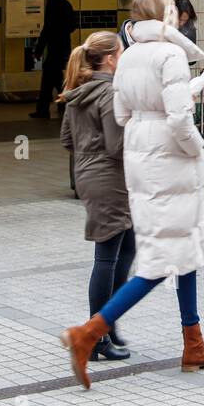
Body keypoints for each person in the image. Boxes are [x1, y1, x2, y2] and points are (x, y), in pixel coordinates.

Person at [60, 0, 204, 390]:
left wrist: (167, 106)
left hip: (143, 161)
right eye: (172, 6)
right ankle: (88, 333)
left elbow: (124, 111)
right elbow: (177, 119)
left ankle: (194, 343)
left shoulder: (131, 54)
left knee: (187, 247)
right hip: (170, 163)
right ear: (164, 14)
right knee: (161, 261)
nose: (176, 12)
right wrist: (197, 150)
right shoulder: (169, 54)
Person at [59, 31, 133, 363]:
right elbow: (117, 145)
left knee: (126, 249)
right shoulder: (108, 91)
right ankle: (96, 336)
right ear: (111, 58)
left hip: (91, 176)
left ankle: (108, 325)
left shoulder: (78, 91)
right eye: (121, 52)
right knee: (107, 257)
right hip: (109, 178)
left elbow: (66, 139)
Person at [32, 0, 78, 119]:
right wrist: (63, 32)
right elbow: (73, 24)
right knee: (57, 78)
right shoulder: (66, 3)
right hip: (63, 46)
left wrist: (39, 48)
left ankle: (44, 109)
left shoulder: (52, 4)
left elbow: (47, 28)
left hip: (54, 47)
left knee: (48, 79)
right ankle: (64, 104)